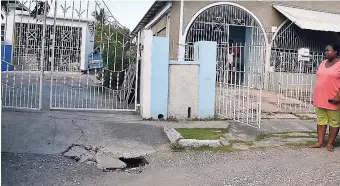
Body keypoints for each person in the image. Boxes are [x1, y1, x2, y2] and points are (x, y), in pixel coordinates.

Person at [311, 44, 340, 152]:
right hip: (320, 97)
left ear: (336, 51)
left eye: (329, 50)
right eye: (325, 50)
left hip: (333, 98)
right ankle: (320, 142)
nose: (326, 52)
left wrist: (338, 95)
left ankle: (330, 143)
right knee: (321, 120)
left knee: (334, 121)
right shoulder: (323, 63)